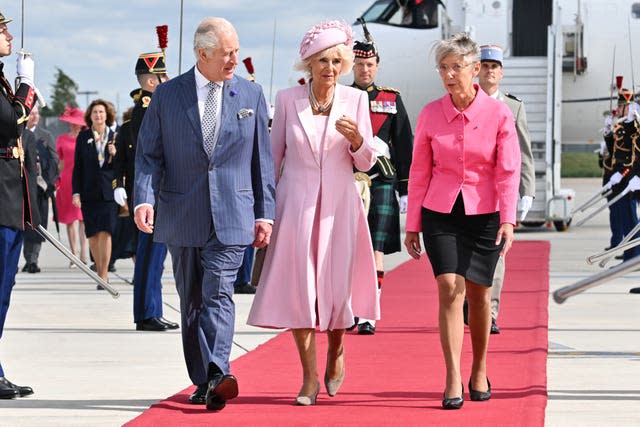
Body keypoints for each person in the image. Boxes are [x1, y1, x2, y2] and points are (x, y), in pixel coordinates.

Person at [134, 17, 275, 411]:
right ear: (202, 54)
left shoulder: (251, 94)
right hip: (182, 211)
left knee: (219, 293)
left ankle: (218, 371)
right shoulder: (167, 96)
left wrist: (265, 214)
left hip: (233, 211)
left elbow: (262, 161)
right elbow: (148, 155)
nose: (234, 59)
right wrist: (144, 199)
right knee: (192, 299)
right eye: (227, 53)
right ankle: (202, 380)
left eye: (236, 50)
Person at [247, 20, 380, 406]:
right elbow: (272, 160)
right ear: (308, 64)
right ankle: (308, 377)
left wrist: (357, 140)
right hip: (296, 206)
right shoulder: (289, 100)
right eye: (323, 60)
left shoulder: (356, 101)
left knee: (337, 289)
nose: (330, 68)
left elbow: (367, 161)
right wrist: (264, 212)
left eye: (337, 61)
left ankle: (336, 349)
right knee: (301, 289)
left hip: (340, 205)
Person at [403, 33, 520, 409]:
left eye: (457, 67)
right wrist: (412, 223)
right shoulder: (430, 113)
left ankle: (480, 368)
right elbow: (419, 171)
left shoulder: (499, 113)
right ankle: (453, 375)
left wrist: (508, 219)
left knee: (479, 295)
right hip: (441, 211)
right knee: (449, 286)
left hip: (485, 213)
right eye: (444, 67)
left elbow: (508, 171)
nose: (449, 74)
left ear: (475, 69)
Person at [350, 32, 413, 335]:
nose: (366, 70)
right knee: (350, 246)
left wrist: (405, 188)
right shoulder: (341, 96)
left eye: (371, 65)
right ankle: (351, 307)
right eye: (361, 66)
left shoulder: (391, 98)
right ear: (353, 66)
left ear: (377, 65)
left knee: (375, 246)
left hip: (384, 177)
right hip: (350, 179)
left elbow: (404, 144)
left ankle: (369, 312)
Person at [470, 44, 536, 334]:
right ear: (476, 70)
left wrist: (527, 189)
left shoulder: (513, 106)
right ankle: (468, 305)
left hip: (499, 193)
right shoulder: (463, 100)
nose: (489, 71)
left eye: (494, 67)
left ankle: (491, 311)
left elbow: (523, 150)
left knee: (496, 255)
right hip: (468, 191)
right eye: (484, 66)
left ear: (501, 72)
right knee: (464, 255)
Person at [113, 51, 178, 331]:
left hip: (157, 190)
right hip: (156, 190)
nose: (167, 80)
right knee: (151, 254)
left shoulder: (153, 106)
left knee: (154, 256)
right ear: (151, 80)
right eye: (162, 76)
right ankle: (148, 313)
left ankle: (151, 310)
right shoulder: (149, 108)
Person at [0, 9, 41, 399]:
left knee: (4, 288)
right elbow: (9, 121)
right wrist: (26, 83)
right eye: (2, 31)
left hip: (8, 200)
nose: (9, 37)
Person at [71, 99, 118, 286]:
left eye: (101, 112)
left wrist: (116, 154)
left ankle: (103, 275)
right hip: (88, 192)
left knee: (106, 232)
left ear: (107, 115)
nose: (98, 115)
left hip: (108, 193)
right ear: (90, 116)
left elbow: (120, 166)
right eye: (95, 112)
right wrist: (76, 192)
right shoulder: (83, 138)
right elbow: (77, 167)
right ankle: (99, 270)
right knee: (92, 234)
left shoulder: (115, 136)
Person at [21, 105, 59, 273]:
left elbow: (54, 159)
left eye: (36, 114)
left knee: (37, 225)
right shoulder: (18, 133)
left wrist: (43, 168)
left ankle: (33, 260)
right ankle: (22, 258)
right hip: (21, 187)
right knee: (21, 225)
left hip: (40, 187)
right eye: (31, 114)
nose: (34, 117)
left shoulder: (46, 135)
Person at [55, 106, 88, 267]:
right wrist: (57, 181)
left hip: (83, 180)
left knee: (83, 219)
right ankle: (73, 255)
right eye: (72, 123)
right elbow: (60, 163)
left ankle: (84, 254)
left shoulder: (87, 138)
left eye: (77, 123)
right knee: (70, 220)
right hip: (67, 180)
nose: (74, 125)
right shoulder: (61, 139)